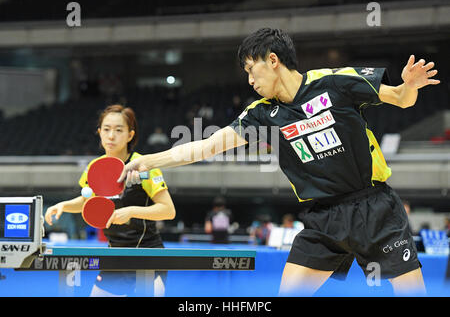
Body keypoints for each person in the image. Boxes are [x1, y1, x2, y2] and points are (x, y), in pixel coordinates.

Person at [118, 28, 440, 296]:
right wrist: (147, 160)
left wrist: (409, 86)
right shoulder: (262, 112)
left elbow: (399, 98)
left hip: (374, 209)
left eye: (250, 69)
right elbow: (206, 147)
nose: (249, 80)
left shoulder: (333, 82)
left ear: (272, 60)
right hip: (323, 218)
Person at [45, 104, 176, 297]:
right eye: (106, 129)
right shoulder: (93, 167)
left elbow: (168, 210)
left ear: (130, 135)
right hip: (115, 256)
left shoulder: (144, 166)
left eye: (118, 130)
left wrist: (131, 212)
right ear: (99, 132)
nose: (111, 136)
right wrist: (63, 205)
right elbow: (87, 202)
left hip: (147, 256)